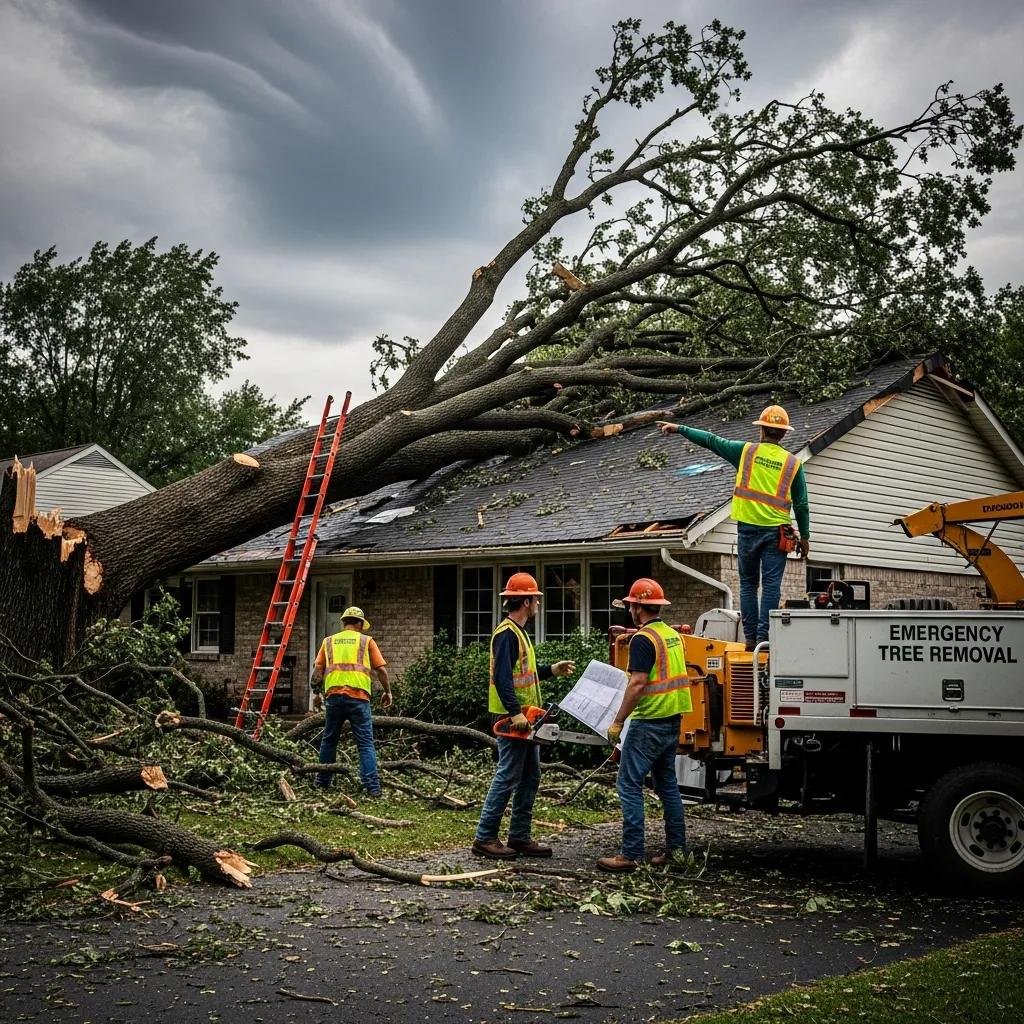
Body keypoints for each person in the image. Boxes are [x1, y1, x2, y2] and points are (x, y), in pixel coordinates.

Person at [658, 405, 810, 650]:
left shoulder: (746, 452)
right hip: (776, 534)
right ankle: (763, 637)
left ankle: (750, 639)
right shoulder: (793, 464)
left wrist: (680, 428)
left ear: (761, 430)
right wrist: (805, 536)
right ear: (783, 434)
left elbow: (711, 440)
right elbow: (801, 505)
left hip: (748, 531)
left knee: (749, 584)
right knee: (771, 586)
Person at [472, 572, 576, 860]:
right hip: (512, 716)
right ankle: (485, 836)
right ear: (527, 601)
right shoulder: (506, 634)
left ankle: (519, 835)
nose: (539, 604)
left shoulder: (518, 632)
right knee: (508, 776)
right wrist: (516, 713)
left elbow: (524, 673)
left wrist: (551, 670)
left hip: (526, 716)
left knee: (530, 777)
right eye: (537, 600)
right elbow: (503, 678)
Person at [597, 578, 691, 872]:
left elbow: (637, 683)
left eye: (631, 606)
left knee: (628, 784)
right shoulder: (671, 635)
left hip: (648, 721)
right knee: (668, 786)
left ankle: (630, 854)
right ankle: (677, 851)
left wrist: (617, 721)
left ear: (637, 607)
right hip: (672, 719)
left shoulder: (643, 639)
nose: (630, 610)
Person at [310, 606, 392, 796]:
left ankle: (322, 782)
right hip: (359, 698)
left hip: (334, 698)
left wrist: (316, 693)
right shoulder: (367, 641)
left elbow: (318, 670)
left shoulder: (329, 641)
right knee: (365, 744)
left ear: (344, 622)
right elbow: (381, 670)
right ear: (359, 623)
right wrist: (388, 692)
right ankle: (373, 788)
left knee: (329, 740)